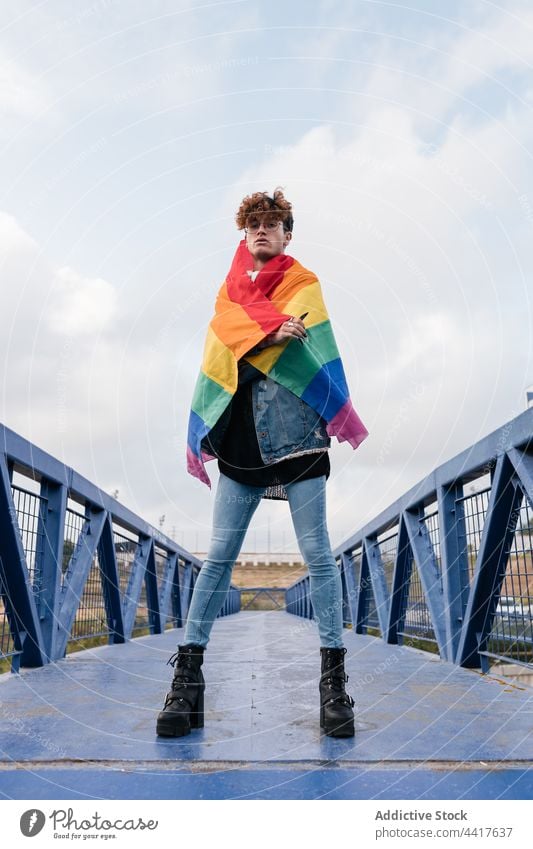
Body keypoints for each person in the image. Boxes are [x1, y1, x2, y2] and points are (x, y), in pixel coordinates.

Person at [156, 189, 368, 739]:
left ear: (287, 234)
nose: (262, 232)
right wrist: (267, 335)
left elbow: (307, 352)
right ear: (243, 234)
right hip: (242, 441)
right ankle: (188, 678)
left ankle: (333, 683)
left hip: (299, 437)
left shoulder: (305, 286)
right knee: (220, 556)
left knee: (318, 553)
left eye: (273, 224)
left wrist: (261, 343)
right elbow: (222, 357)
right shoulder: (228, 295)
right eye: (253, 224)